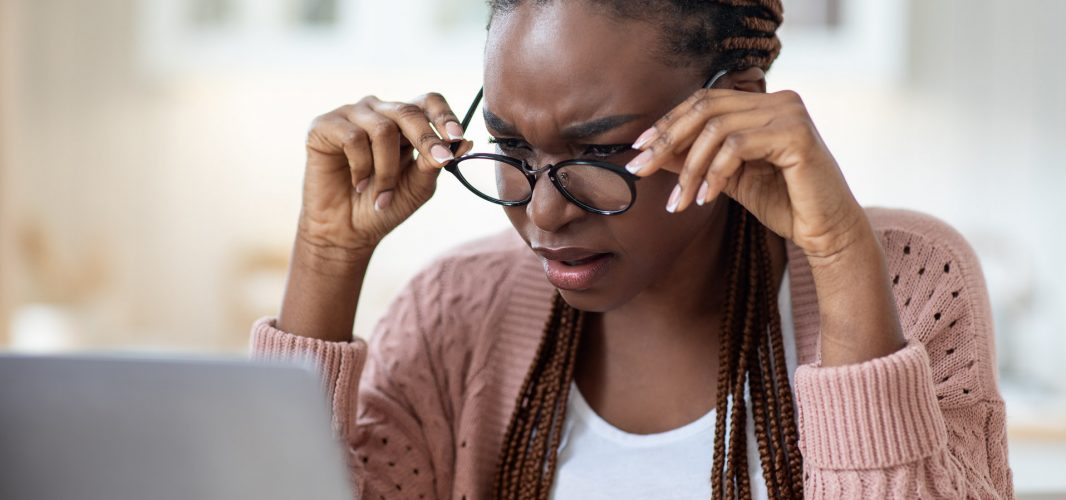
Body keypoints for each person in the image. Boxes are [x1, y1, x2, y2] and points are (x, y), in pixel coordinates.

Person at [251, 0, 1014, 498]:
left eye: (602, 150)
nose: (544, 208)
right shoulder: (456, 309)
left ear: (737, 106)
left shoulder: (908, 277)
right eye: (511, 145)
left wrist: (843, 258)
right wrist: (326, 256)